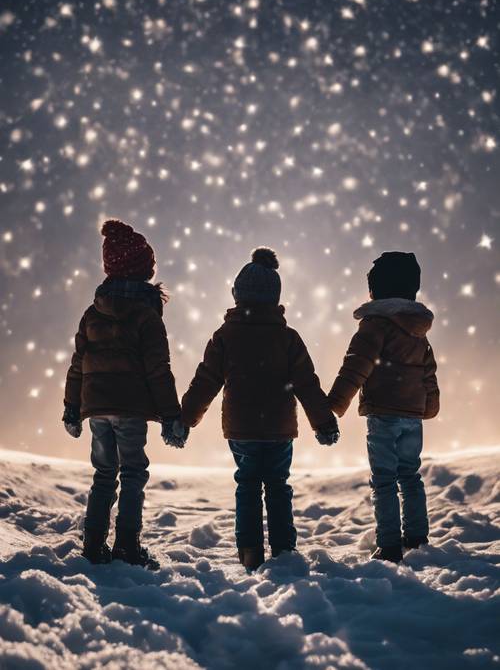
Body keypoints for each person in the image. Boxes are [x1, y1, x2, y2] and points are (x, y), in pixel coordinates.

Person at [181, 247, 340, 571]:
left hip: (241, 429)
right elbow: (307, 384)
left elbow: (206, 381)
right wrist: (323, 423)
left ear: (237, 295)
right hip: (279, 430)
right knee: (278, 486)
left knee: (248, 486)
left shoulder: (225, 336)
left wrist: (185, 420)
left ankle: (250, 552)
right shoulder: (287, 338)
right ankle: (284, 551)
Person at [63, 219, 185, 568]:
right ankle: (127, 546)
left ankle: (93, 545)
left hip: (98, 409)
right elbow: (158, 369)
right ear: (143, 270)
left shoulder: (92, 313)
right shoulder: (146, 316)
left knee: (104, 474)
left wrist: (72, 407)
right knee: (132, 473)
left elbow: (77, 365)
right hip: (130, 409)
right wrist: (171, 414)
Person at [328, 251, 440, 563]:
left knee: (385, 480)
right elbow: (428, 372)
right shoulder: (418, 333)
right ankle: (417, 536)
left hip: (383, 415)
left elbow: (355, 367)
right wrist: (428, 406)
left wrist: (334, 403)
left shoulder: (375, 326)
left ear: (375, 291)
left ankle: (389, 544)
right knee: (410, 475)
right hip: (412, 417)